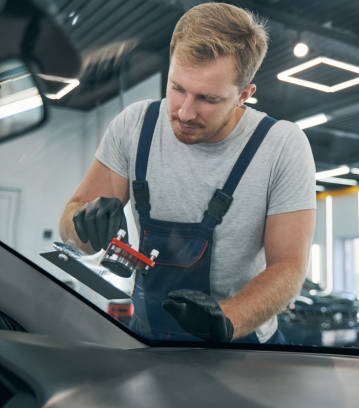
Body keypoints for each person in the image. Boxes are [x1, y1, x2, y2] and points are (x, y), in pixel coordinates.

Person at [58, 2, 315, 344]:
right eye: (177, 87)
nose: (184, 112)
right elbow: (70, 222)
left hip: (241, 342)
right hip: (147, 337)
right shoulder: (135, 126)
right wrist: (82, 224)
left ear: (244, 95)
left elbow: (288, 268)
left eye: (208, 98)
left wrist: (227, 320)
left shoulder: (281, 145)